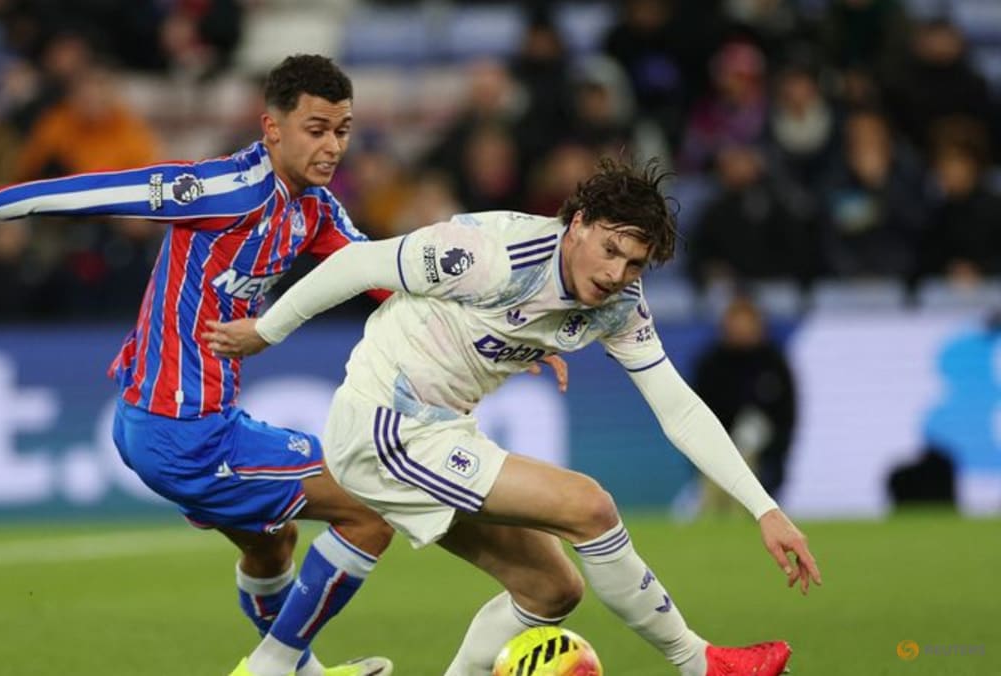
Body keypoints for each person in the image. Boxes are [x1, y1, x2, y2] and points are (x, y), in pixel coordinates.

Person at [207, 157, 823, 676]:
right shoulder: (489, 253)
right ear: (576, 224)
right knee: (590, 507)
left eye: (634, 263)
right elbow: (356, 265)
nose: (615, 274)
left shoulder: (617, 304)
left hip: (442, 429)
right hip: (384, 425)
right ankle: (699, 663)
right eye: (610, 249)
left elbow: (677, 406)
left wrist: (764, 509)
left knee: (551, 590)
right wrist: (266, 330)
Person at [0, 54, 416, 676]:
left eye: (343, 130)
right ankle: (273, 667)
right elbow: (107, 191)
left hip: (179, 422)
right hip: (182, 430)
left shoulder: (316, 211)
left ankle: (298, 671)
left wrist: (494, 330)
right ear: (272, 128)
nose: (332, 146)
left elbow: (386, 276)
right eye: (316, 129)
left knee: (273, 544)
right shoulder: (224, 188)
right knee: (370, 510)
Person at [693, 296, 797, 512]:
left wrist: (776, 444)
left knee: (749, 436)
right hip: (718, 440)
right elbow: (697, 407)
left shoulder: (773, 361)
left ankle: (745, 512)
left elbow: (785, 411)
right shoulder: (712, 363)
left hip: (764, 447)